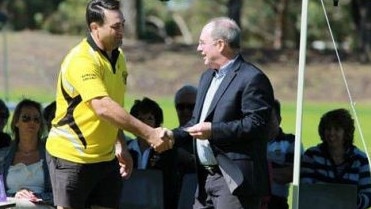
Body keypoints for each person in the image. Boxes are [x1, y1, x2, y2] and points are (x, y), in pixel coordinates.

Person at [45, 0, 172, 208]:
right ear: (95, 28)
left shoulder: (119, 57)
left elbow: (115, 107)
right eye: (116, 27)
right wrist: (149, 133)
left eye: (122, 24)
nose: (122, 31)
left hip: (105, 159)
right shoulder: (81, 60)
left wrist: (120, 143)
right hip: (71, 158)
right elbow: (103, 107)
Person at [169, 17, 275, 209]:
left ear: (220, 45)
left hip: (234, 180)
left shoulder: (252, 78)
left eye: (202, 43)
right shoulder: (207, 77)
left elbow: (256, 124)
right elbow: (196, 121)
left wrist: (213, 130)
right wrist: (172, 135)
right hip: (204, 180)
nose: (198, 49)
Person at [300, 108, 371, 209]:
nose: (331, 133)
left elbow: (368, 195)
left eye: (337, 129)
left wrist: (349, 201)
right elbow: (305, 190)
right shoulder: (312, 155)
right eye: (328, 129)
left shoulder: (360, 159)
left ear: (346, 133)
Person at [0, 99, 53, 208]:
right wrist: (16, 195)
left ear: (40, 125)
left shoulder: (51, 156)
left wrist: (34, 196)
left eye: (36, 119)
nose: (32, 122)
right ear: (16, 122)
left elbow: (61, 194)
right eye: (26, 118)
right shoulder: (2, 156)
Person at [127, 97, 177, 209]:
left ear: (157, 123)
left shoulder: (167, 152)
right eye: (140, 119)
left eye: (149, 119)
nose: (144, 123)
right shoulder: (125, 150)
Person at [266, 99, 302, 209]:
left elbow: (290, 174)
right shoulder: (251, 142)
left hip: (277, 202)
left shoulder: (291, 142)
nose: (266, 124)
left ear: (279, 120)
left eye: (270, 120)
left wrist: (261, 172)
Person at [174, 85, 198, 209]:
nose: (185, 111)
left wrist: (190, 159)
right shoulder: (169, 138)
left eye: (191, 107)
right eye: (181, 107)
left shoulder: (209, 137)